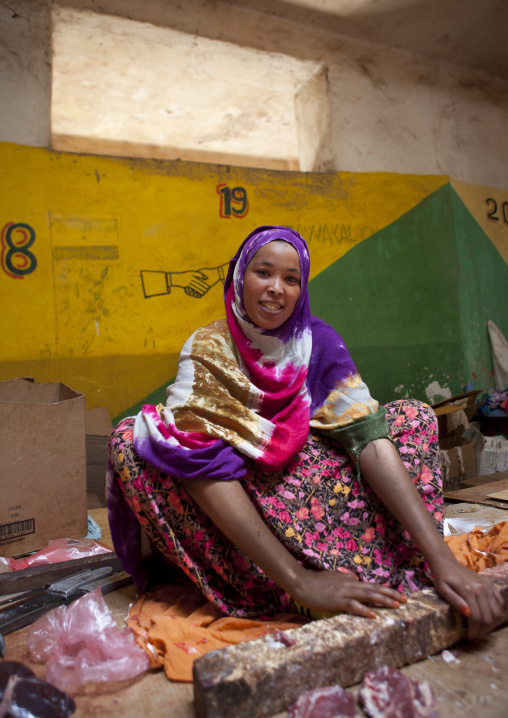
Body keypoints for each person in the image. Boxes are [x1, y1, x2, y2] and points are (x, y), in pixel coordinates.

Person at [107, 225, 503, 639]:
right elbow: (200, 464)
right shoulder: (208, 348)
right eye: (264, 273)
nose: (277, 288)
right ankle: (275, 585)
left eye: (291, 279)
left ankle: (374, 563)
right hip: (243, 512)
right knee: (133, 441)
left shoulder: (316, 343)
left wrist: (441, 558)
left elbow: (366, 436)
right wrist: (299, 581)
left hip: (300, 494)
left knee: (412, 417)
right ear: (240, 277)